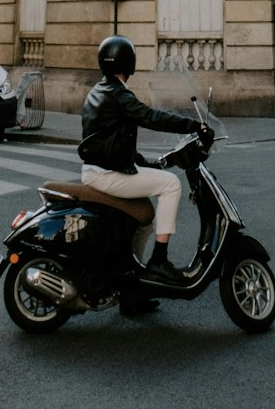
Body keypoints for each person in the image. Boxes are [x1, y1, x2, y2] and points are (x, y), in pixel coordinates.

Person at [79, 35, 209, 299]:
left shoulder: (98, 91)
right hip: (107, 176)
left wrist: (140, 161)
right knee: (171, 184)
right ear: (129, 62)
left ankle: (132, 285)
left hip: (97, 171)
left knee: (143, 216)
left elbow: (108, 137)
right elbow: (150, 116)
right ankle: (159, 261)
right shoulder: (118, 94)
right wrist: (194, 125)